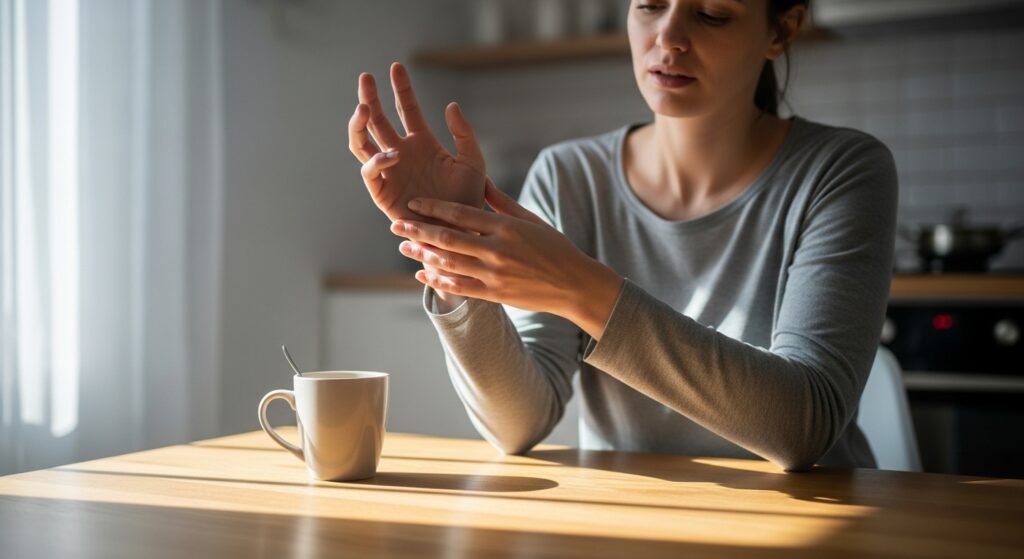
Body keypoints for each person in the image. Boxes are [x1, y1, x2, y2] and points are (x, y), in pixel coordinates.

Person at [347, 0, 897, 471]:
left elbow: (805, 426)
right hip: (633, 519)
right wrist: (452, 249)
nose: (669, 37)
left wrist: (582, 289)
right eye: (649, 5)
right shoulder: (571, 176)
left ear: (782, 31)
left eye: (711, 15)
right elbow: (517, 424)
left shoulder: (843, 170)